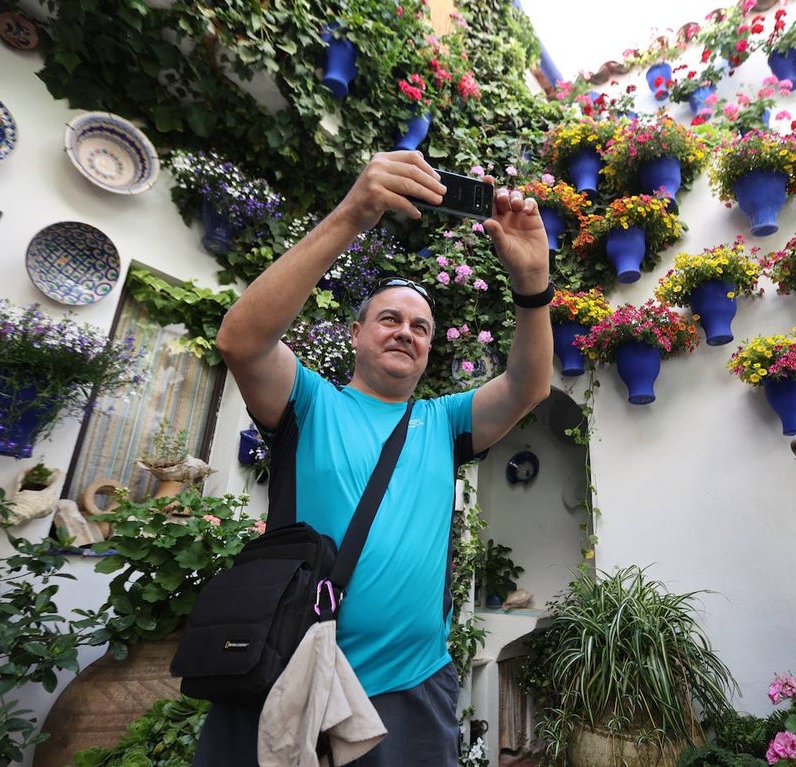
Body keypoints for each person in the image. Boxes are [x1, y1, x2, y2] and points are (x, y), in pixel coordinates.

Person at [202, 150, 554, 766]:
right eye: (389, 318)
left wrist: (532, 285)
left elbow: (528, 386)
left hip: (411, 691)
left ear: (427, 350)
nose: (406, 331)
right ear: (357, 335)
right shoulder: (309, 400)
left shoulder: (442, 421)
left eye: (421, 327)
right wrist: (352, 214)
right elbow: (241, 340)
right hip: (290, 675)